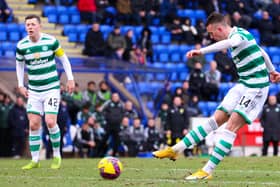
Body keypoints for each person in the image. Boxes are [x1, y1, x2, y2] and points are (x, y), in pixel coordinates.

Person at [152, 12, 280, 180]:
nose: (212, 37)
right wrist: (272, 70)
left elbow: (229, 42)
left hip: (256, 88)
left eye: (212, 34)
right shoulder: (242, 35)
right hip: (243, 84)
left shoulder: (238, 36)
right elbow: (261, 52)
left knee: (230, 126)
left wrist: (202, 51)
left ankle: (207, 170)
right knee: (215, 120)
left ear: (220, 28)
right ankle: (176, 150)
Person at [16, 15, 75, 170]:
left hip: (51, 89)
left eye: (33, 24)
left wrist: (70, 79)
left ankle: (56, 155)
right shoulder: (21, 45)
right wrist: (20, 85)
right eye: (27, 24)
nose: (30, 27)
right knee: (34, 124)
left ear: (39, 26)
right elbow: (20, 65)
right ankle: (35, 160)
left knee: (50, 122)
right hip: (34, 90)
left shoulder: (51, 41)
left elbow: (64, 59)